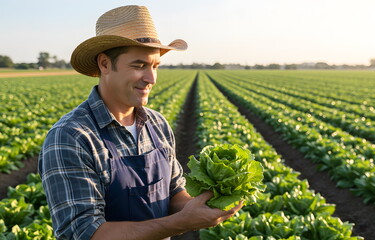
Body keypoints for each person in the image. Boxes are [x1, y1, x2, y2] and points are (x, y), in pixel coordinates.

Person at [38, 4, 242, 240]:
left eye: (155, 66)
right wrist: (181, 223)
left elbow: (174, 192)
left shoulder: (157, 124)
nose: (151, 78)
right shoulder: (72, 137)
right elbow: (85, 233)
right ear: (105, 64)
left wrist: (205, 206)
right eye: (139, 65)